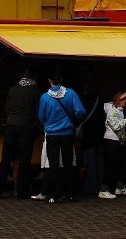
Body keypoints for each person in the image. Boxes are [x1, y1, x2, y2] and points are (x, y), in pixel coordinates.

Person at [35, 70, 85, 204]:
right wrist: (73, 120)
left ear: (49, 81)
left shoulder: (45, 97)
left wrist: (48, 123)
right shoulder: (70, 93)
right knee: (68, 164)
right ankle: (70, 193)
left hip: (52, 134)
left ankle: (54, 194)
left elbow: (41, 117)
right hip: (68, 133)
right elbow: (80, 111)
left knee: (54, 164)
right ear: (61, 80)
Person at [0, 69, 42, 199]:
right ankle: (22, 191)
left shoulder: (13, 90)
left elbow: (7, 109)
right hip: (26, 127)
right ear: (34, 78)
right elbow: (38, 114)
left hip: (11, 126)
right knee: (24, 160)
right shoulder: (36, 93)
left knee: (5, 160)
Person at [99, 91, 126, 199]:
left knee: (120, 164)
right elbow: (116, 126)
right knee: (111, 166)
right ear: (119, 101)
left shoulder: (118, 111)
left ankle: (119, 187)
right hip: (111, 141)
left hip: (117, 141)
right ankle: (104, 190)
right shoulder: (112, 112)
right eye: (125, 103)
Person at [79, 80, 105, 197]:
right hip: (99, 133)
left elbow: (80, 114)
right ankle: (101, 185)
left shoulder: (83, 100)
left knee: (90, 162)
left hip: (88, 134)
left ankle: (91, 187)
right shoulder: (100, 99)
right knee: (99, 161)